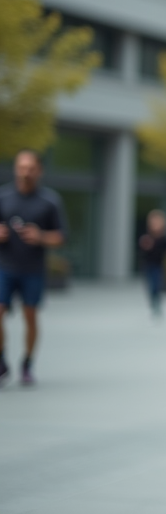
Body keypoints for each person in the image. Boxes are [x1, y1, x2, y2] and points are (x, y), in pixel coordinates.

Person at [0, 150, 67, 387]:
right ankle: (1, 361)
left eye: (30, 168)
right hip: (4, 266)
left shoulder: (49, 201)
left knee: (30, 316)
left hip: (33, 269)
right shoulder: (3, 197)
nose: (25, 172)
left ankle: (27, 363)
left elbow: (61, 237)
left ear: (39, 171)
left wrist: (40, 237)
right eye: (21, 167)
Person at [138, 209, 166, 318]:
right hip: (148, 264)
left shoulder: (164, 237)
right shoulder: (147, 235)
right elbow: (141, 250)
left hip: (159, 264)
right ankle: (153, 302)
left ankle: (157, 302)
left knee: (156, 284)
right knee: (150, 285)